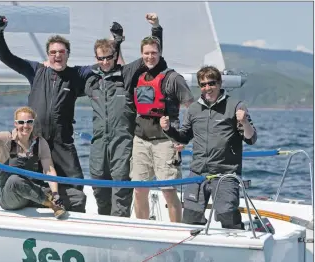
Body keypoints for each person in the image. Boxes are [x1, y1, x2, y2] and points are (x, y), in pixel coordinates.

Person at [0, 15, 91, 212]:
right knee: (30, 182)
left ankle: (68, 217)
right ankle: (41, 213)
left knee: (76, 187)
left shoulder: (76, 75)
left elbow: (103, 67)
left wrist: (115, 44)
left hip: (63, 143)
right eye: (53, 52)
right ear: (47, 55)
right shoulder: (36, 70)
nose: (57, 55)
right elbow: (6, 58)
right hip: (35, 142)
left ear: (68, 54)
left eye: (61, 52)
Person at [160, 65, 257, 229]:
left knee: (227, 216)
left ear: (219, 84)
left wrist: (244, 122)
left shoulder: (235, 106)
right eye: (203, 84)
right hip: (198, 172)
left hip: (225, 173)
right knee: (190, 218)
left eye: (211, 83)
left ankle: (236, 246)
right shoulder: (193, 109)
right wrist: (168, 129)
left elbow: (251, 139)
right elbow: (184, 137)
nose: (208, 88)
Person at [85, 14, 163, 217]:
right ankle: (104, 226)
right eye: (100, 58)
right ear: (96, 59)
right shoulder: (91, 80)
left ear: (115, 55)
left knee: (121, 188)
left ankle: (119, 227)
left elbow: (150, 57)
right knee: (98, 185)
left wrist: (155, 29)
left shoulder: (127, 74)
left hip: (122, 141)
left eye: (109, 57)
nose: (105, 62)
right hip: (99, 143)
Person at [130, 34, 195, 223]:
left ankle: (174, 231)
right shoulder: (139, 76)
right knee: (139, 190)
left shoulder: (174, 78)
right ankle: (142, 229)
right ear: (141, 54)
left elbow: (192, 107)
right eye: (146, 53)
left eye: (154, 53)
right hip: (140, 140)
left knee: (168, 190)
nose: (150, 57)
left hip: (165, 142)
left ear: (160, 53)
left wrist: (182, 138)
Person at [0, 104, 67, 219]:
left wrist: (55, 193)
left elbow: (49, 170)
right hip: (9, 197)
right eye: (21, 122)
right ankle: (51, 204)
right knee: (15, 180)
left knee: (75, 196)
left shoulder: (40, 142)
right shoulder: (5, 138)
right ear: (15, 124)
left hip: (31, 193)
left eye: (29, 122)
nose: (25, 126)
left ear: (33, 123)